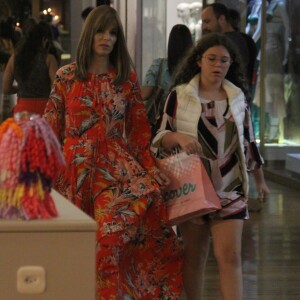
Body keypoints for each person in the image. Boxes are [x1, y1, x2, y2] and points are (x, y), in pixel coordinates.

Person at [43, 5, 183, 300]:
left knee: (109, 240)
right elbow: (50, 128)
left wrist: (148, 166)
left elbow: (138, 130)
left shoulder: (125, 78)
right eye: (100, 31)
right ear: (88, 34)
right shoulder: (66, 77)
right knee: (75, 247)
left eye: (113, 33)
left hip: (114, 169)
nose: (106, 38)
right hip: (73, 172)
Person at [152, 33, 270, 300]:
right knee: (195, 256)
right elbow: (159, 138)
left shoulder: (237, 97)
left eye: (224, 61)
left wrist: (261, 180)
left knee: (230, 255)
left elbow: (248, 140)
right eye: (212, 59)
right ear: (199, 61)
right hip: (194, 187)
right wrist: (179, 138)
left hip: (231, 186)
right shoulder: (179, 95)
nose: (218, 65)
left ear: (230, 65)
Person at [141, 24, 193, 135]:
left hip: (160, 122)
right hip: (187, 122)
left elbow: (144, 94)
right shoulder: (195, 69)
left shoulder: (158, 65)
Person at [201, 3, 255, 102]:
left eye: (207, 21)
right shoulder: (244, 39)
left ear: (221, 19)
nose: (204, 27)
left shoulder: (228, 43)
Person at [2, 22, 58, 116]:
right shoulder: (49, 59)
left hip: (22, 111)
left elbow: (6, 88)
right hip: (44, 110)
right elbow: (56, 88)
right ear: (44, 40)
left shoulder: (14, 58)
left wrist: (22, 89)